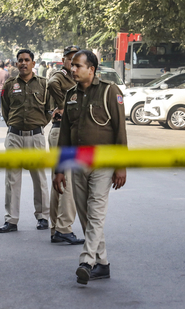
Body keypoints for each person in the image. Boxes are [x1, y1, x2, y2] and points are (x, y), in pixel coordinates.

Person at [53, 50, 127, 285]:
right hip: (77, 163)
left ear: (91, 69)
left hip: (103, 163)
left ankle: (87, 261)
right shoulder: (71, 95)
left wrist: (120, 166)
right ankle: (102, 264)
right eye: (72, 66)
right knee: (85, 214)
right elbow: (64, 134)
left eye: (77, 66)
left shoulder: (109, 91)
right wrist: (59, 169)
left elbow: (120, 130)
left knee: (95, 212)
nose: (72, 69)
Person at [0, 49, 51, 233]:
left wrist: (38, 127)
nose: (23, 63)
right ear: (16, 63)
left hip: (36, 137)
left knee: (39, 178)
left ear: (33, 63)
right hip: (14, 137)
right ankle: (11, 220)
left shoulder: (44, 85)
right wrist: (14, 127)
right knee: (12, 179)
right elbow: (5, 110)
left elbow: (49, 111)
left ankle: (43, 216)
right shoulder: (9, 85)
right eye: (20, 60)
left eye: (27, 60)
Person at [47, 45, 84, 245]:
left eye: (76, 60)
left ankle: (55, 227)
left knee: (59, 180)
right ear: (64, 61)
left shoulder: (76, 79)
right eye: (70, 59)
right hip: (62, 132)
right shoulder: (61, 77)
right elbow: (52, 83)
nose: (73, 63)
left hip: (62, 132)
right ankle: (64, 228)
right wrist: (62, 106)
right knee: (68, 180)